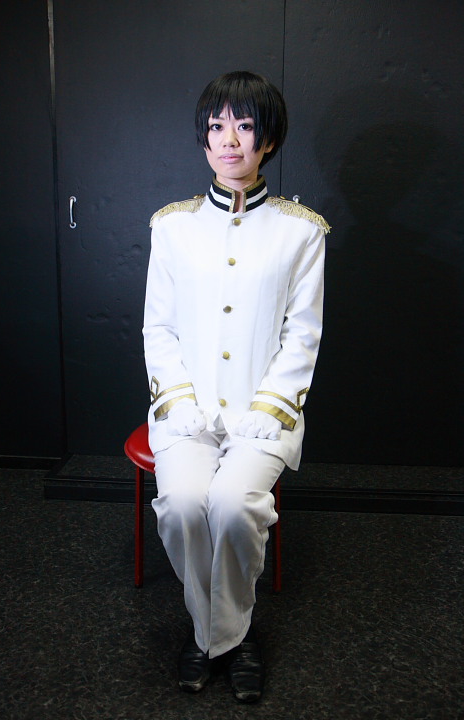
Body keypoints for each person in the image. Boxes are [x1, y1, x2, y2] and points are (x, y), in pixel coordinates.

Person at [143, 70, 329, 703]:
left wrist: (268, 410)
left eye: (245, 126)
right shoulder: (172, 227)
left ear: (267, 140)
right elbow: (158, 329)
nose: (229, 140)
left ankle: (212, 639)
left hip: (262, 412)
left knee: (231, 506)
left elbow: (302, 335)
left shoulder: (301, 232)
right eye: (217, 126)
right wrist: (179, 403)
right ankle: (229, 635)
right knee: (182, 506)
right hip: (186, 411)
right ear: (203, 137)